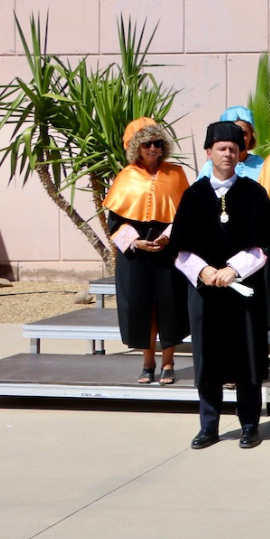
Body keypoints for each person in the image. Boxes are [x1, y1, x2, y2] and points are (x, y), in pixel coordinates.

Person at [170, 121, 270, 450]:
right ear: (209, 152)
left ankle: (249, 424)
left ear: (241, 153)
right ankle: (209, 425)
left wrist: (233, 269)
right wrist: (203, 271)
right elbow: (179, 249)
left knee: (246, 356)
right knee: (208, 357)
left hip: (242, 292)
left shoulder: (254, 194)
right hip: (205, 293)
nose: (228, 153)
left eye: (234, 148)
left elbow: (265, 245)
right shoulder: (193, 195)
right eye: (221, 148)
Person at [102, 117, 190, 385]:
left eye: (157, 143)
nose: (153, 149)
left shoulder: (176, 174)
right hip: (136, 256)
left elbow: (185, 215)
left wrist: (167, 237)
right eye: (147, 144)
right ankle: (148, 363)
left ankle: (169, 362)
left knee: (169, 307)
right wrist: (136, 242)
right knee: (142, 309)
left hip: (167, 253)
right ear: (136, 148)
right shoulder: (125, 177)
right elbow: (114, 222)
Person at [196, 106, 263, 181]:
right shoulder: (211, 167)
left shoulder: (263, 166)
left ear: (251, 135)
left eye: (243, 133)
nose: (239, 137)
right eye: (233, 133)